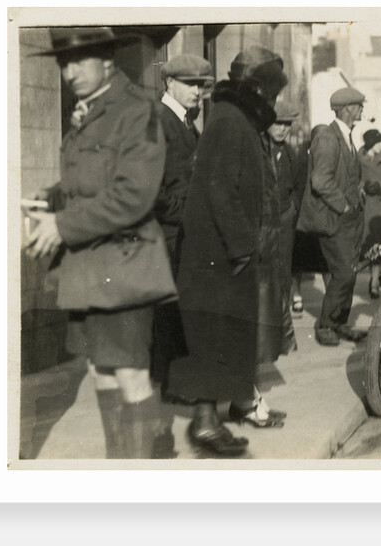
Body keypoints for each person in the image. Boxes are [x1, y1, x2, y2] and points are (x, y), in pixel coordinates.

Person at [23, 27, 168, 459]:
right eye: (63, 64)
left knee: (130, 377)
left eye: (78, 61)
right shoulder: (89, 110)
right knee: (101, 371)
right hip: (89, 267)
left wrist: (62, 226)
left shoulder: (135, 110)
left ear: (106, 60)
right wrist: (50, 198)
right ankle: (119, 469)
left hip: (125, 265)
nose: (69, 72)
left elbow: (134, 194)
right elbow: (90, 182)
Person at [165, 46, 290, 457]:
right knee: (213, 338)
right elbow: (220, 190)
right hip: (217, 257)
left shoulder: (232, 119)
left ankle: (209, 420)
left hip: (220, 254)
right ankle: (204, 424)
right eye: (270, 95)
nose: (272, 104)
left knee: (220, 339)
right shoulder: (230, 124)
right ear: (256, 89)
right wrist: (242, 247)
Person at [149, 53, 214, 458]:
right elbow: (152, 192)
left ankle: (174, 387)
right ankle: (164, 402)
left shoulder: (186, 122)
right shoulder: (159, 122)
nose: (197, 91)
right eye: (190, 83)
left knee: (177, 316)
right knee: (167, 318)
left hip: (183, 236)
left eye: (201, 85)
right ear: (169, 83)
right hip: (165, 237)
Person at [296, 86, 368, 347]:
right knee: (344, 274)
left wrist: (357, 192)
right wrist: (345, 206)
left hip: (346, 220)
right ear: (348, 109)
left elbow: (342, 176)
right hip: (333, 220)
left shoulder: (346, 137)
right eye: (359, 106)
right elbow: (320, 181)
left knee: (349, 271)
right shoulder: (328, 137)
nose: (362, 110)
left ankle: (340, 322)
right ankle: (327, 325)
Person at [268, 100, 305, 352]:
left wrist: (291, 208)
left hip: (284, 217)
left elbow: (297, 185)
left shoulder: (290, 153)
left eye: (286, 125)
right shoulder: (260, 149)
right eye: (277, 124)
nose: (282, 129)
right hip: (263, 219)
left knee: (283, 269)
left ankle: (282, 328)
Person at [290, 125, 331, 316]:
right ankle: (297, 297)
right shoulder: (301, 159)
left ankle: (330, 300)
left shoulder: (323, 158)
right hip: (303, 218)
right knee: (298, 262)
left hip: (319, 217)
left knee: (325, 262)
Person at [358, 128, 381, 299]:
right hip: (366, 210)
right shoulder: (357, 159)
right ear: (371, 144)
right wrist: (362, 186)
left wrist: (380, 186)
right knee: (371, 248)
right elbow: (353, 179)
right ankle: (374, 283)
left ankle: (379, 282)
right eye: (378, 142)